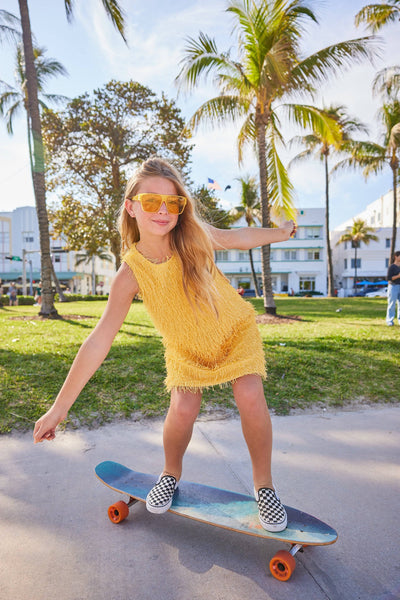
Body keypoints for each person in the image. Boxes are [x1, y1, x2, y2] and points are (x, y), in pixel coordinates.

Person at [33, 157, 296, 533]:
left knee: (250, 394)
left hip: (235, 331)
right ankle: (170, 474)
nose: (163, 210)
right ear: (131, 207)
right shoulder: (130, 273)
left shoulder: (193, 235)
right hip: (185, 347)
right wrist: (59, 410)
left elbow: (239, 237)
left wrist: (281, 232)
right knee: (184, 406)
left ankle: (264, 487)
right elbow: (99, 340)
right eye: (151, 201)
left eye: (172, 203)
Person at [386, 251, 400, 326]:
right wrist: (398, 276)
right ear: (396, 257)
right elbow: (388, 278)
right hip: (393, 286)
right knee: (392, 304)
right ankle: (389, 320)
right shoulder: (392, 267)